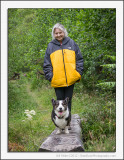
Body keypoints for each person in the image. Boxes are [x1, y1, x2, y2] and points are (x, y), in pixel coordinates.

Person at [43, 23, 83, 112]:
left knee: (68, 101)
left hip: (71, 79)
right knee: (59, 102)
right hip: (57, 80)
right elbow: (47, 64)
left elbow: (79, 59)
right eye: (56, 33)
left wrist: (78, 73)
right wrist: (51, 77)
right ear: (53, 34)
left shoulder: (71, 43)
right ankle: (60, 123)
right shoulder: (50, 46)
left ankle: (68, 122)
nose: (58, 35)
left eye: (60, 32)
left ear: (64, 32)